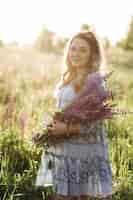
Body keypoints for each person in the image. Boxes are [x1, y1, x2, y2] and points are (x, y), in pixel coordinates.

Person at [34, 31, 113, 200]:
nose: (75, 54)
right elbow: (63, 111)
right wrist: (47, 129)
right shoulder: (68, 77)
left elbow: (95, 125)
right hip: (65, 149)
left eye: (83, 50)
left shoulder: (94, 81)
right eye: (73, 48)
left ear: (93, 54)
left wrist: (66, 129)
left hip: (82, 152)